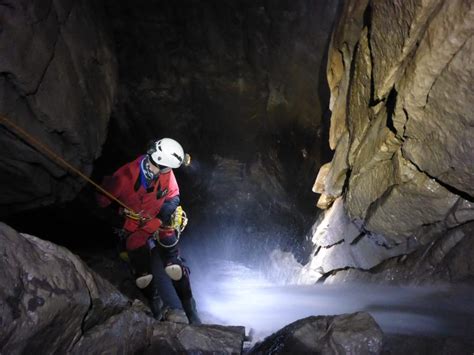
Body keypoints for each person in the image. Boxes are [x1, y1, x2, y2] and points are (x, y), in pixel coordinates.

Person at [97, 138, 201, 324]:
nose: (169, 172)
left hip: (160, 222)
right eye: (167, 168)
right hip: (135, 226)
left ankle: (191, 311)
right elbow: (102, 205)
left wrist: (159, 219)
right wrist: (122, 218)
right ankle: (156, 305)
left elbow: (173, 198)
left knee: (174, 268)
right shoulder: (125, 177)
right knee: (142, 277)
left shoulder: (165, 173)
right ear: (159, 163)